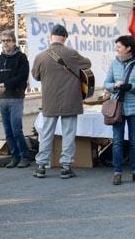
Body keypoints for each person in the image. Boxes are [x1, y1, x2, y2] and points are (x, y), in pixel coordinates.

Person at [31, 24, 92, 180]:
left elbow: (36, 76)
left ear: (51, 37)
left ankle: (41, 166)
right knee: (68, 134)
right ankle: (66, 166)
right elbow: (87, 64)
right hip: (71, 100)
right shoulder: (72, 54)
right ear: (65, 37)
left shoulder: (41, 56)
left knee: (46, 134)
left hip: (49, 100)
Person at [103, 35, 135, 185]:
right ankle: (117, 172)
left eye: (119, 47)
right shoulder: (114, 64)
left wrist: (132, 87)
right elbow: (106, 83)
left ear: (128, 48)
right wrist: (114, 86)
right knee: (117, 141)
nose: (116, 49)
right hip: (117, 107)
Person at [0, 30, 31, 168]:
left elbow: (22, 76)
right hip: (2, 100)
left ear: (13, 41)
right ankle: (14, 156)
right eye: (3, 41)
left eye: (7, 40)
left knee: (16, 129)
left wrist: (5, 85)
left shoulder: (21, 58)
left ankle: (25, 156)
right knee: (7, 131)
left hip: (16, 98)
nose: (5, 43)